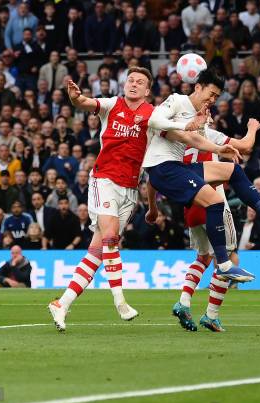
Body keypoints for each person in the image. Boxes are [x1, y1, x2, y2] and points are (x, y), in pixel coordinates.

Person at [143, 69, 260, 284]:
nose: (213, 100)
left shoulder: (202, 122)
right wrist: (190, 126)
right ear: (198, 87)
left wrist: (220, 148)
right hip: (164, 167)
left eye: (217, 97)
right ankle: (224, 264)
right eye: (211, 93)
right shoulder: (177, 101)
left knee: (234, 171)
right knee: (216, 202)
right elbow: (154, 121)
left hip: (181, 168)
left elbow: (197, 141)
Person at [48, 67, 156, 331]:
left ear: (147, 90)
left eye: (139, 82)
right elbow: (85, 102)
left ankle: (62, 303)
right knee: (111, 236)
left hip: (130, 188)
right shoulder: (111, 105)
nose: (133, 84)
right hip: (104, 179)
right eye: (130, 79)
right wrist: (75, 98)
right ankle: (120, 301)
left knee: (97, 252)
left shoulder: (153, 115)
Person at [164, 118, 260, 332]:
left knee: (203, 257)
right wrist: (252, 128)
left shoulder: (177, 141)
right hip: (213, 201)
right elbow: (245, 145)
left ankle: (184, 301)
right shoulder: (207, 134)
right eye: (208, 116)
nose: (211, 119)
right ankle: (211, 315)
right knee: (226, 257)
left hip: (191, 205)